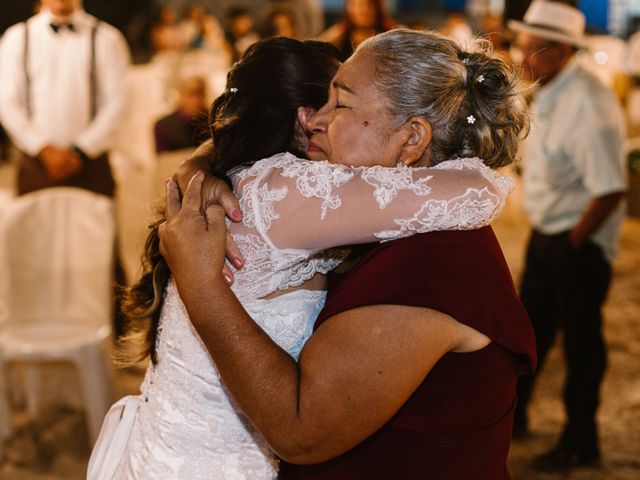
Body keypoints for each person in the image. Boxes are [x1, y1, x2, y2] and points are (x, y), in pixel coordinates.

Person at [90, 34, 516, 479]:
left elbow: (302, 430)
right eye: (320, 103)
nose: (320, 122)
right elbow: (477, 188)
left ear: (412, 138)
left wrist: (201, 162)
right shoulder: (296, 194)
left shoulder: (434, 260)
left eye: (341, 104)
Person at [508, 1, 626, 469]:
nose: (519, 54)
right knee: (527, 334)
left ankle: (581, 441)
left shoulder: (588, 102)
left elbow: (610, 190)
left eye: (528, 46)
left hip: (577, 240)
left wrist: (573, 243)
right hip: (548, 233)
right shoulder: (550, 89)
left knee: (581, 345)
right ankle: (514, 418)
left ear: (558, 50)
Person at [0, 0, 130, 197]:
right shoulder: (17, 37)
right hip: (36, 164)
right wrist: (42, 148)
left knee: (96, 227)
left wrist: (81, 151)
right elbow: (7, 102)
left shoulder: (106, 37)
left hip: (92, 165)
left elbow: (119, 101)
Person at [319, 0, 395, 60]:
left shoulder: (392, 34)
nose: (363, 10)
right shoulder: (338, 35)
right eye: (357, 5)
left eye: (369, 4)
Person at [153, 76, 209, 154]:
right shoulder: (162, 126)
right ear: (181, 95)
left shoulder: (213, 122)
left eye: (200, 93)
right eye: (191, 94)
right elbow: (163, 161)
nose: (196, 100)